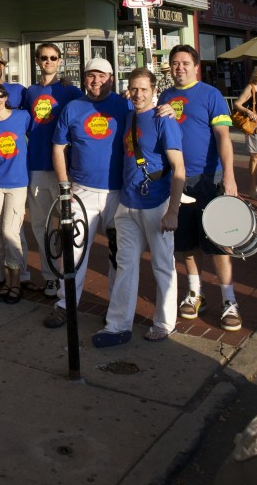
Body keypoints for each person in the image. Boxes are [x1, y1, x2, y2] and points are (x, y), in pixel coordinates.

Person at [92, 67, 185, 347]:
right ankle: (118, 323)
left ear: (154, 90)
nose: (138, 94)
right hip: (128, 202)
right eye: (134, 88)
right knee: (124, 264)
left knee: (162, 265)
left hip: (156, 202)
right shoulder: (130, 115)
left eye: (144, 89)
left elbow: (178, 168)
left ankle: (164, 322)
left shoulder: (163, 120)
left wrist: (173, 211)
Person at [157, 44, 241, 331]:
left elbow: (223, 138)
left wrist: (228, 175)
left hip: (209, 178)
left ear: (195, 66)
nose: (179, 67)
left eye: (184, 63)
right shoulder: (165, 96)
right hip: (177, 181)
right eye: (174, 63)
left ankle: (229, 300)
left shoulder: (210, 94)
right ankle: (195, 293)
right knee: (186, 242)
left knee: (218, 243)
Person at [44, 56, 130, 328]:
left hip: (119, 193)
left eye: (101, 75)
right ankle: (64, 303)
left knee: (118, 255)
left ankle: (115, 310)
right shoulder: (73, 108)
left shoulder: (125, 106)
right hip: (82, 191)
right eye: (91, 75)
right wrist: (64, 186)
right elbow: (59, 147)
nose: (95, 80)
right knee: (73, 250)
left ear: (111, 78)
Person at [24, 42, 83, 297]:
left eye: (52, 57)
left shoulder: (70, 91)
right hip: (36, 165)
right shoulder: (29, 92)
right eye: (43, 57)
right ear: (37, 61)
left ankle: (67, 273)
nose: (48, 61)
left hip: (63, 169)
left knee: (68, 224)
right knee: (41, 225)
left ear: (60, 61)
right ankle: (50, 276)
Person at [0, 83, 30, 303]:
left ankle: (16, 282)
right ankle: (7, 279)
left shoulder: (23, 117)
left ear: (6, 96)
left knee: (11, 232)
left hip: (17, 183)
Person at [234, 64, 257, 199]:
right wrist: (248, 111)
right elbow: (237, 104)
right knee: (256, 157)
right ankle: (253, 188)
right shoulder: (252, 87)